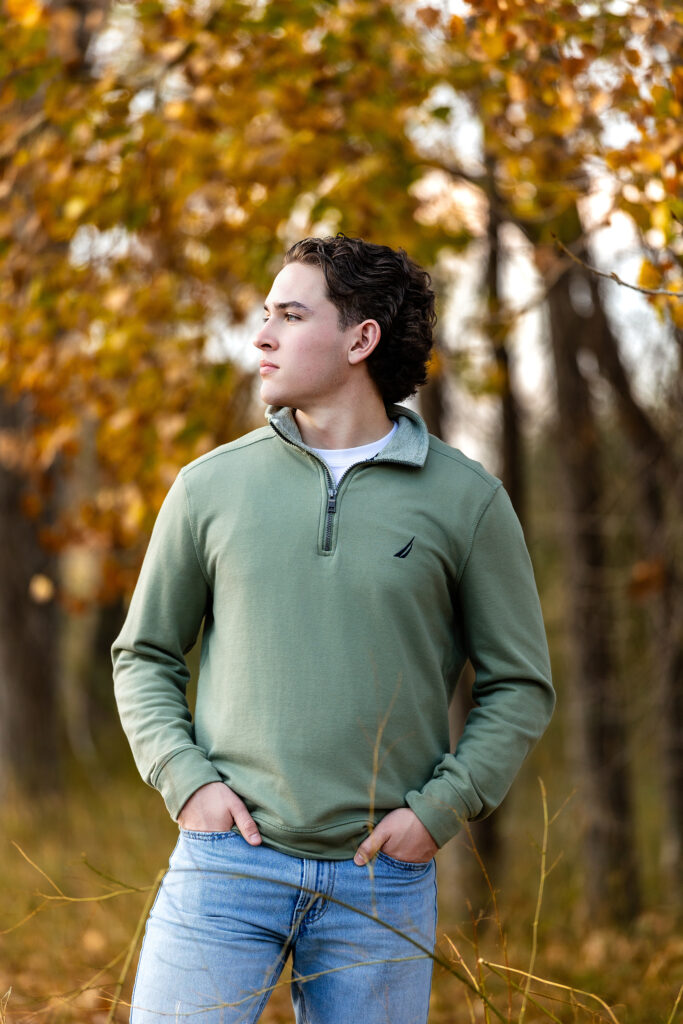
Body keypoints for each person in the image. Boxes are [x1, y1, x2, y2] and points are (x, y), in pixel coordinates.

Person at [112, 232, 555, 1024]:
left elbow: (518, 684)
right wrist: (188, 783)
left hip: (379, 879)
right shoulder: (210, 487)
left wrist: (437, 813)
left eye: (289, 313)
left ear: (360, 339)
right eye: (265, 314)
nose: (262, 336)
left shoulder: (467, 500)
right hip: (226, 865)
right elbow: (142, 653)